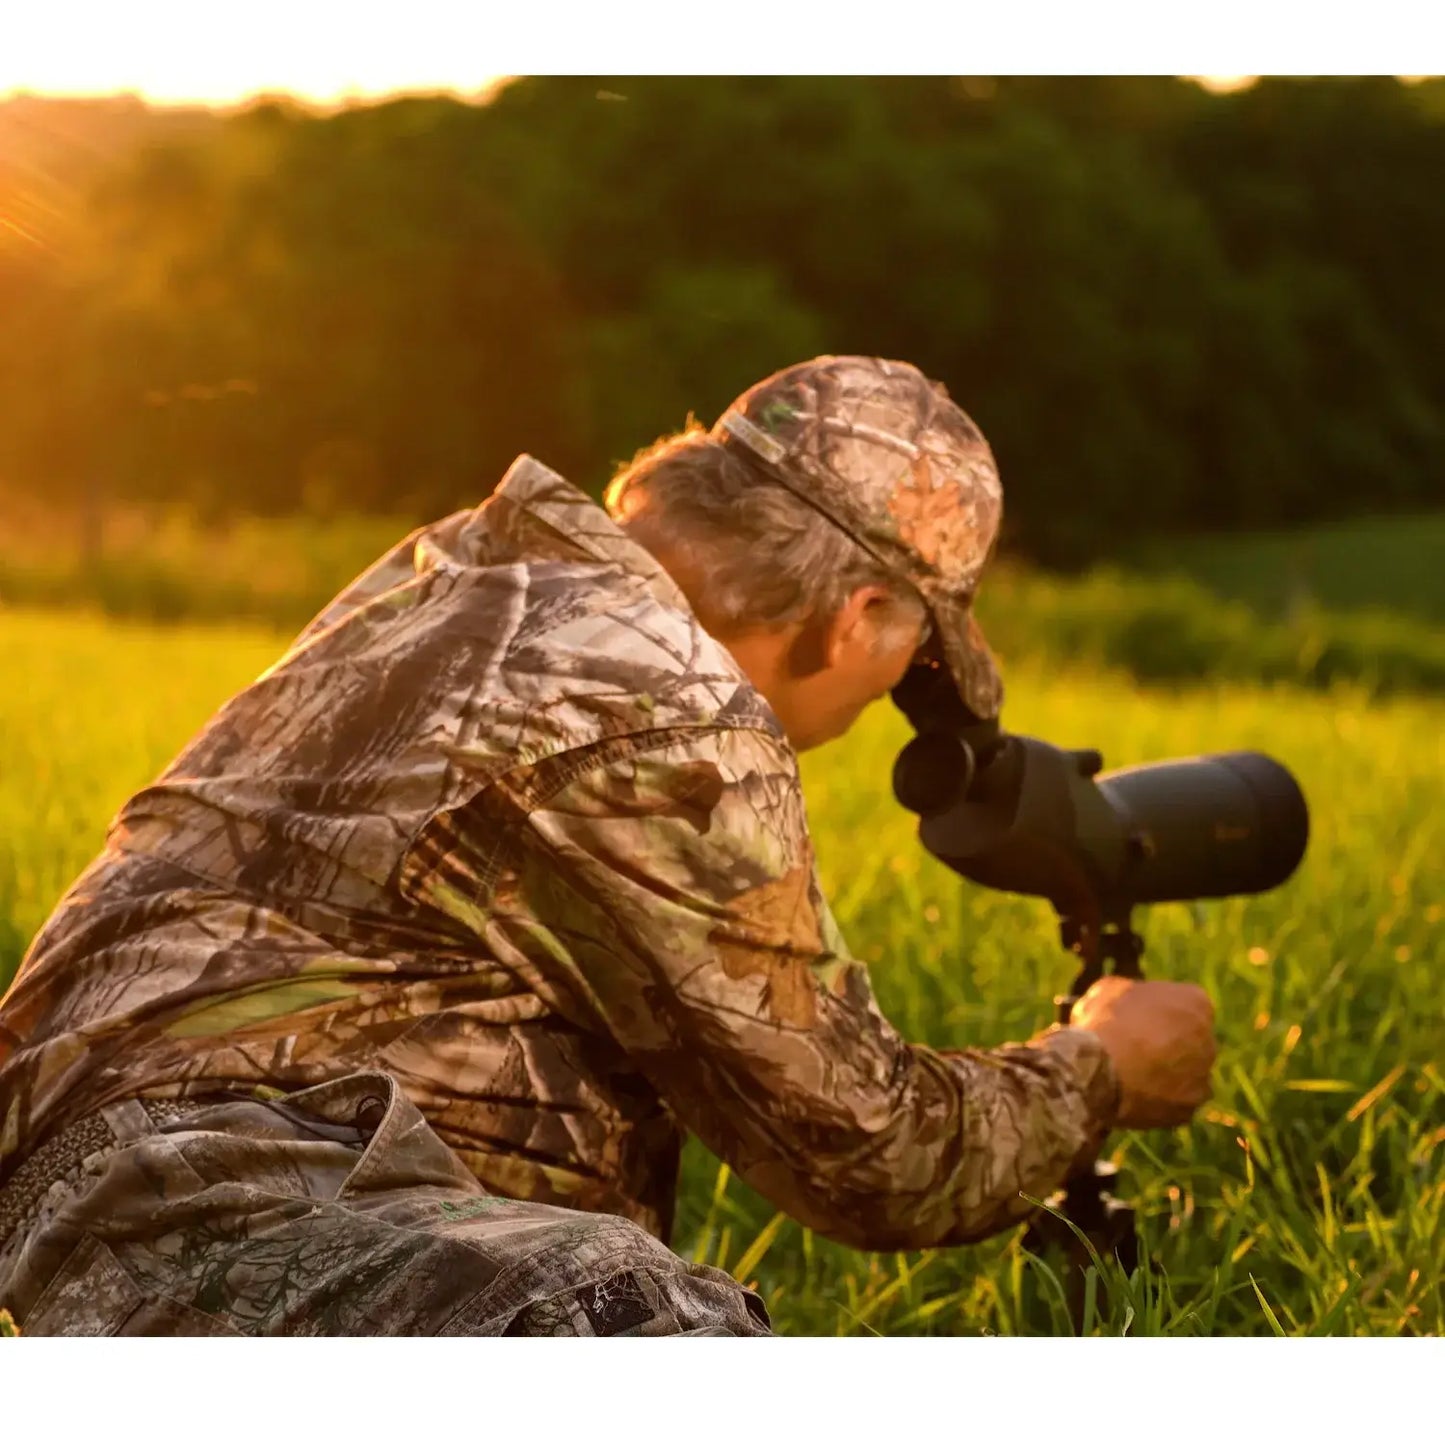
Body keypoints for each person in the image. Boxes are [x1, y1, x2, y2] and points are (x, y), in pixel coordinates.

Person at [0, 356, 1216, 1336]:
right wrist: (1097, 1067)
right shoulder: (669, 710)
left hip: (116, 1195)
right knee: (630, 1324)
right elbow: (867, 1152)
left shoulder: (470, 572)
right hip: (238, 1209)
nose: (889, 696)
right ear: (856, 617)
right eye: (915, 662)